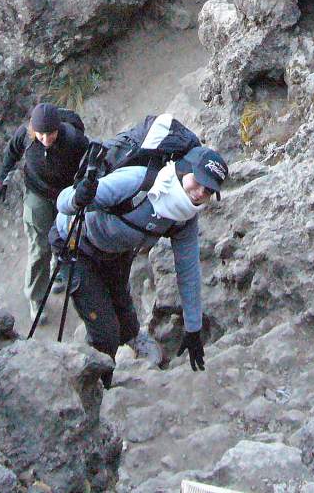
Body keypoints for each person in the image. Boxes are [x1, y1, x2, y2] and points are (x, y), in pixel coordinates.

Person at [51, 144, 229, 386]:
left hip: (117, 252)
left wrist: (193, 328)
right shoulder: (140, 182)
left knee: (124, 307)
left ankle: (133, 339)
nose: (199, 193)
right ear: (184, 170)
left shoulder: (184, 219)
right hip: (76, 245)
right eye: (197, 182)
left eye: (208, 191)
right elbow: (63, 202)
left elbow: (188, 271)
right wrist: (77, 197)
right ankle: (101, 384)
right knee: (105, 333)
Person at [0, 102, 90, 318]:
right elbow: (11, 154)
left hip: (66, 196)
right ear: (33, 130)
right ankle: (36, 297)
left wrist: (86, 186)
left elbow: (90, 160)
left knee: (65, 239)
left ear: (59, 128)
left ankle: (58, 274)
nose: (46, 139)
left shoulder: (73, 139)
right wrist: (2, 180)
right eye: (41, 134)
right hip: (37, 194)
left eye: (51, 133)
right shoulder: (25, 136)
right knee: (39, 246)